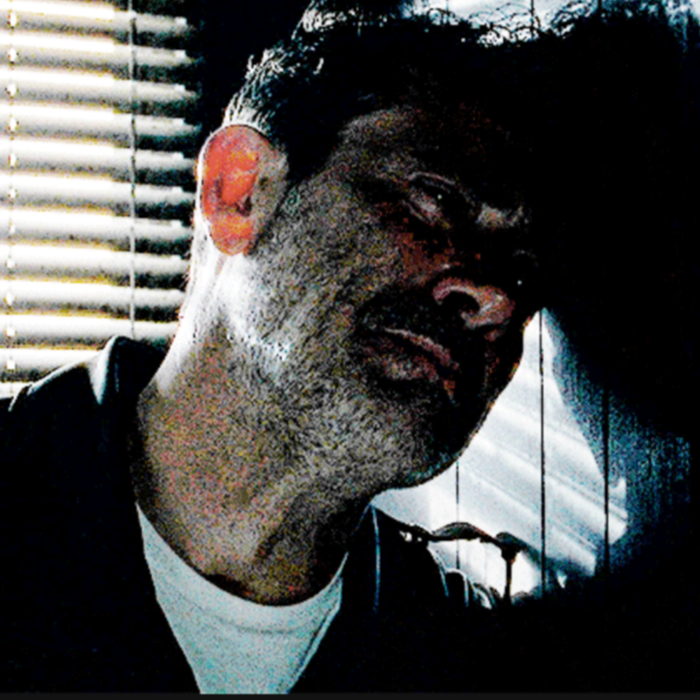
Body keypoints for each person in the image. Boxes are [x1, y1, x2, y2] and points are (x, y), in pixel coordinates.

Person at [1, 0, 697, 691]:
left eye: (522, 275)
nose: (496, 300)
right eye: (436, 203)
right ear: (239, 192)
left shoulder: (455, 666)